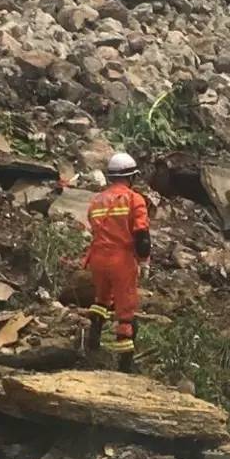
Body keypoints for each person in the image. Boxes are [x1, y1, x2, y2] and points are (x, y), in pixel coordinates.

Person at [84, 152, 151, 372]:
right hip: (121, 259)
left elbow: (93, 228)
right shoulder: (134, 199)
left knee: (101, 299)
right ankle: (125, 365)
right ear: (131, 176)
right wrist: (143, 261)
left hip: (97, 258)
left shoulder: (96, 200)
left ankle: (92, 343)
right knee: (126, 311)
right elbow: (141, 235)